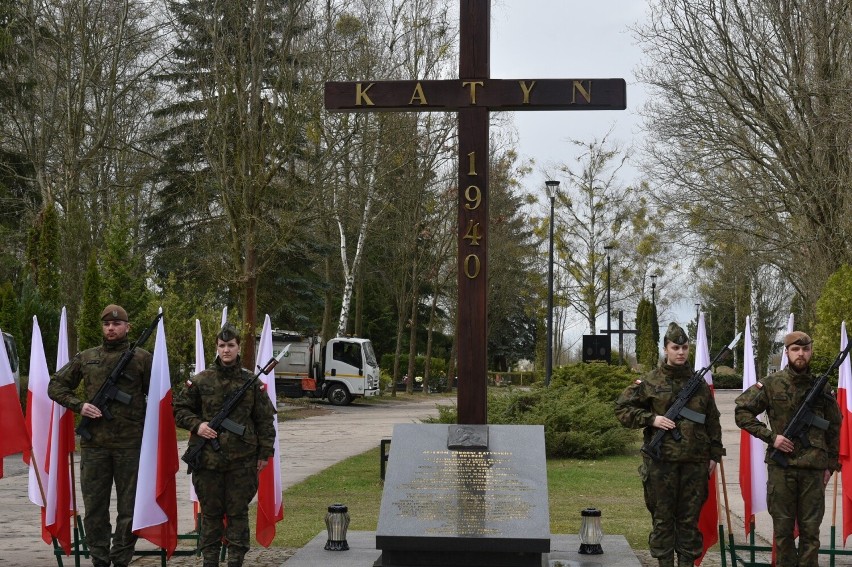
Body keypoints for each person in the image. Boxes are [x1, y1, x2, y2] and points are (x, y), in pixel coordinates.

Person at [48, 304, 153, 567]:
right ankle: (100, 560)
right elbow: (55, 385)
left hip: (130, 446)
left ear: (127, 327)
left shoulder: (142, 358)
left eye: (117, 324)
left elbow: (162, 397)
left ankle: (120, 560)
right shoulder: (86, 357)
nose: (111, 328)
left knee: (129, 510)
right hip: (95, 446)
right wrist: (79, 404)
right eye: (107, 324)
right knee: (95, 509)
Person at [614, 322, 723, 567]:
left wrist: (714, 455)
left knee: (689, 522)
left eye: (685, 347)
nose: (681, 352)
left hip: (694, 465)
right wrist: (652, 419)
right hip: (660, 464)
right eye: (675, 347)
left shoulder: (700, 385)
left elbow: (712, 421)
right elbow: (622, 408)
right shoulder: (650, 382)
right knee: (662, 521)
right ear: (666, 349)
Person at [173, 322, 277, 567]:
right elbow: (179, 409)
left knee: (238, 514)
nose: (226, 350)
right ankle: (209, 560)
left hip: (242, 462)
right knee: (210, 514)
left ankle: (235, 561)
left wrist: (265, 454)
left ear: (239, 347)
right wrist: (197, 425)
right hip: (208, 461)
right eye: (222, 346)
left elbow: (264, 421)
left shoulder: (252, 382)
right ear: (217, 348)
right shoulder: (201, 380)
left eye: (231, 345)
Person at [735, 330, 841, 567]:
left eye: (805, 349)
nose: (801, 354)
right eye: (795, 349)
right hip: (781, 470)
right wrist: (772, 438)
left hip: (814, 470)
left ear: (811, 351)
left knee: (811, 534)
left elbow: (835, 426)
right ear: (787, 352)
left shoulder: (822, 389)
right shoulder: (772, 384)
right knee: (783, 533)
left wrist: (831, 465)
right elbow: (742, 412)